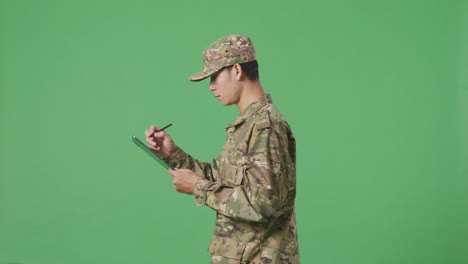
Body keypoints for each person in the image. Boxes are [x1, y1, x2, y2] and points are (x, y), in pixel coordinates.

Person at [145, 35, 299, 264]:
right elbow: (221, 180)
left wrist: (199, 188)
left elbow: (265, 204)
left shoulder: (265, 127)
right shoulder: (247, 126)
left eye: (214, 76)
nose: (211, 87)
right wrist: (173, 154)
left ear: (236, 70)